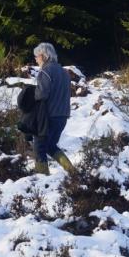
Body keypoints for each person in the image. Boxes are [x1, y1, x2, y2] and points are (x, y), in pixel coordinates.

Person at [32, 42, 77, 176]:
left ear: (44, 56)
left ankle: (42, 177)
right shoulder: (63, 72)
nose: (35, 59)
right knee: (50, 145)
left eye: (37, 56)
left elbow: (42, 94)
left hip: (49, 116)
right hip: (63, 116)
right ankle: (72, 172)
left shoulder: (45, 71)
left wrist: (32, 94)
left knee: (39, 146)